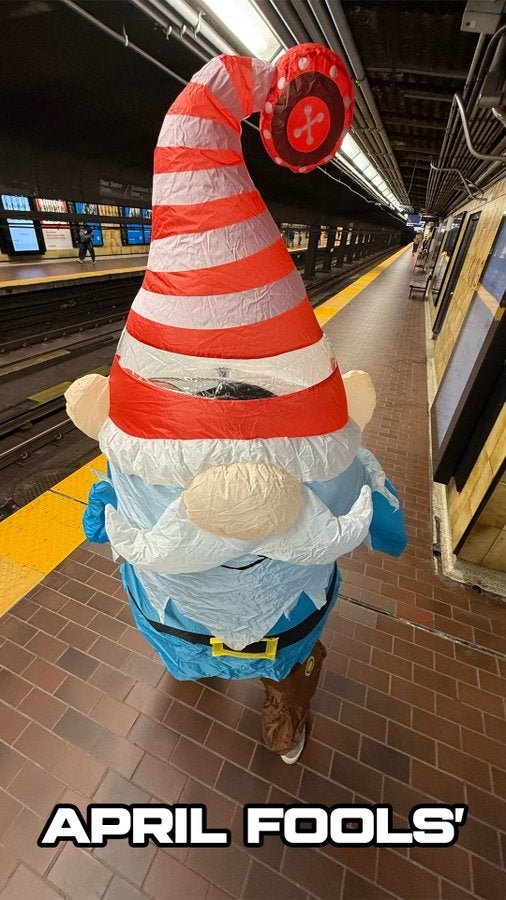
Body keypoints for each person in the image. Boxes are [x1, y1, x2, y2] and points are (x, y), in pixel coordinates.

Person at [64, 44, 406, 765]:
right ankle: (245, 679)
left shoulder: (261, 428)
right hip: (199, 606)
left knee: (271, 650)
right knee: (225, 637)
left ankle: (278, 695)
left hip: (235, 604)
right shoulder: (293, 435)